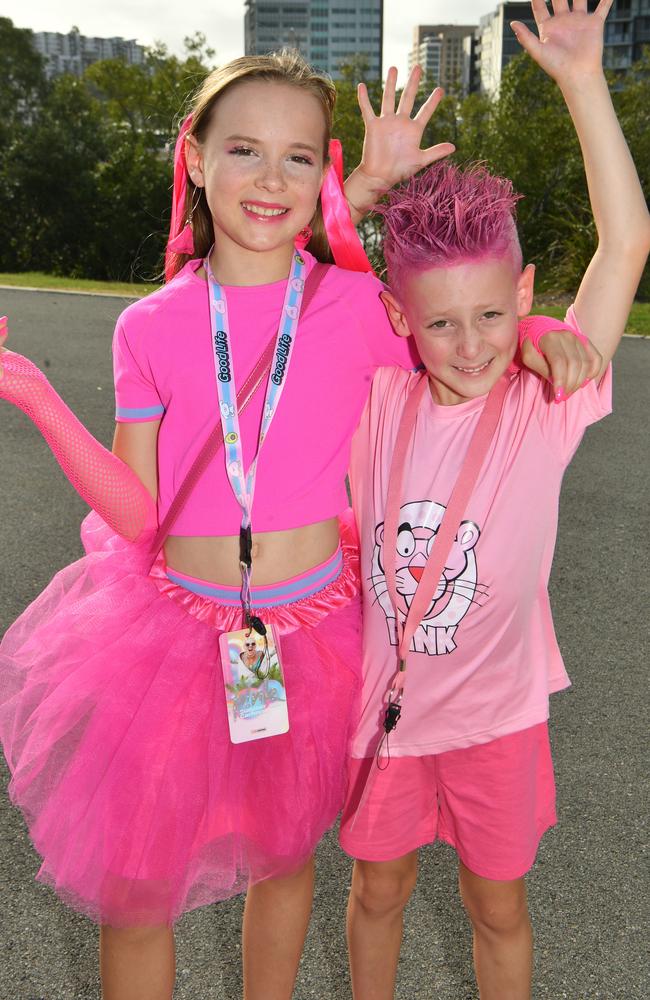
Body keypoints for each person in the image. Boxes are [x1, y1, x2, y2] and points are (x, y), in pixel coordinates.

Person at [0, 48, 587, 1000]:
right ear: (193, 158)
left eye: (299, 158)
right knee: (138, 886)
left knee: (280, 860)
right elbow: (137, 511)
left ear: (327, 169)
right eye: (244, 150)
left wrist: (547, 334)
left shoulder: (360, 306)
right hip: (174, 634)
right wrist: (31, 393)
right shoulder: (146, 325)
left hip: (303, 634)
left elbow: (460, 329)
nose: (271, 179)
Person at [339, 3, 650, 999]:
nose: (469, 344)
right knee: (375, 893)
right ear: (398, 317)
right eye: (438, 322)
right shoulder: (371, 394)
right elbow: (292, 295)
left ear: (522, 293)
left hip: (497, 724)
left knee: (498, 909)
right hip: (382, 718)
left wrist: (580, 83)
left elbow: (624, 244)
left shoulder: (543, 402)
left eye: (489, 314)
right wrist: (361, 191)